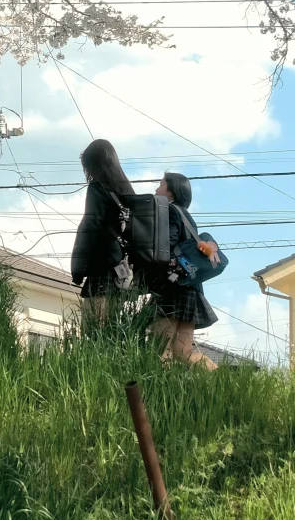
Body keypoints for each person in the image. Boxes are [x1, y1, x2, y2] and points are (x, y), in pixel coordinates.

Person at [148, 171, 220, 369]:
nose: (156, 188)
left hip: (172, 289)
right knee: (183, 351)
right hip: (190, 290)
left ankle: (158, 395)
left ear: (171, 192)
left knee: (158, 350)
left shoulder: (170, 211)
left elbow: (166, 249)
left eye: (161, 184)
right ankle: (221, 380)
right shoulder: (188, 217)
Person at [70, 138, 134, 323]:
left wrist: (78, 270)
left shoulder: (98, 188)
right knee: (114, 331)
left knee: (93, 331)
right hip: (123, 272)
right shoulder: (128, 190)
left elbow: (90, 227)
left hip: (100, 268)